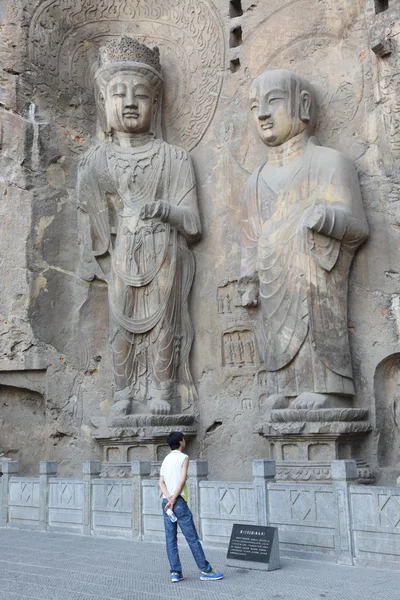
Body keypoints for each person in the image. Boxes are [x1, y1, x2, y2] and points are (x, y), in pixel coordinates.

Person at [77, 37, 201, 419]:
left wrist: (166, 210)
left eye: (141, 94)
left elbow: (194, 224)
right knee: (120, 326)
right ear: (104, 103)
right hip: (122, 254)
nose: (130, 102)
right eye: (119, 93)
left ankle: (164, 390)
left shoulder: (174, 157)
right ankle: (123, 393)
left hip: (163, 250)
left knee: (163, 322)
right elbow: (91, 219)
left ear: (156, 103)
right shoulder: (95, 161)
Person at [239, 69, 369, 411]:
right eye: (255, 107)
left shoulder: (328, 162)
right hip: (272, 275)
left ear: (304, 105)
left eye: (274, 101)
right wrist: (248, 276)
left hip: (314, 272)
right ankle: (284, 386)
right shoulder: (255, 180)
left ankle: (329, 387)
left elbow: (357, 227)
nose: (263, 114)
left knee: (316, 316)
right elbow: (251, 236)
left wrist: (324, 217)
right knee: (274, 333)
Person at [159, 431, 224, 583]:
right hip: (178, 501)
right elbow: (181, 481)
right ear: (181, 441)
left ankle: (175, 572)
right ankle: (205, 570)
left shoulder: (166, 459)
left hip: (165, 502)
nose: (184, 441)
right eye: (183, 439)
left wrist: (168, 498)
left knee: (170, 539)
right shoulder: (184, 457)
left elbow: (160, 482)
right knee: (192, 538)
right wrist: (174, 499)